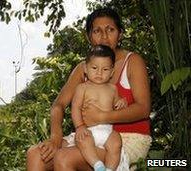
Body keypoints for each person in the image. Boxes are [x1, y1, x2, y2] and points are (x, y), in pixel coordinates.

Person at [26, 7, 151, 171]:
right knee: (35, 154)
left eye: (110, 30)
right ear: (88, 36)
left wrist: (102, 116)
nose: (104, 37)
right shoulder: (83, 69)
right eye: (97, 31)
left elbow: (143, 109)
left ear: (120, 34)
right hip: (89, 135)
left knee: (64, 157)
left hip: (127, 139)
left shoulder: (132, 61)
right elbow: (58, 105)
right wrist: (55, 138)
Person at [66, 44, 127, 171]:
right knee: (84, 141)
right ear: (85, 69)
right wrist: (79, 126)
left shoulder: (112, 89)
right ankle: (97, 165)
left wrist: (122, 103)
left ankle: (110, 168)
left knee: (116, 141)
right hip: (88, 129)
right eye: (94, 68)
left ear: (112, 72)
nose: (99, 72)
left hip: (107, 130)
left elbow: (117, 105)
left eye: (105, 69)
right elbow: (75, 108)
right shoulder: (82, 88)